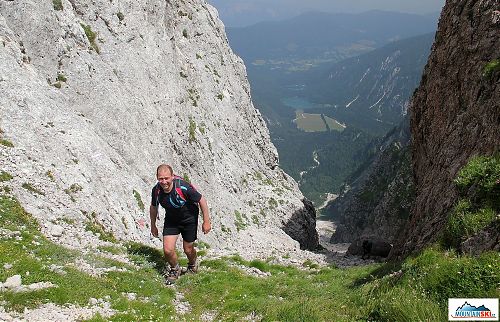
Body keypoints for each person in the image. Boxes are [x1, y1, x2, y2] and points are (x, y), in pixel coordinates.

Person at [150, 164, 211, 285]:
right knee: (167, 250)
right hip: (172, 220)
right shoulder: (156, 190)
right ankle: (175, 269)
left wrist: (206, 221)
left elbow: (201, 200)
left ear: (172, 176)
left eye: (166, 178)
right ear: (157, 178)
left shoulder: (183, 187)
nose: (164, 181)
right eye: (161, 178)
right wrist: (153, 225)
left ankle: (192, 265)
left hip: (189, 220)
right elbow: (153, 207)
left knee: (188, 250)